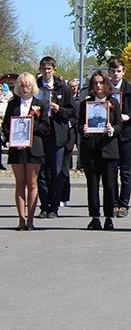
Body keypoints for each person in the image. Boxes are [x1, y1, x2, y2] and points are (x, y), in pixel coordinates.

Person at [3, 72, 52, 230]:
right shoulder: (13, 104)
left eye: (28, 85)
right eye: (22, 86)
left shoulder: (41, 104)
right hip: (16, 148)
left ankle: (30, 220)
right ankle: (21, 220)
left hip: (34, 148)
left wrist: (29, 126)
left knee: (32, 184)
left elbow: (46, 127)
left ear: (33, 87)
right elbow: (6, 126)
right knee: (19, 184)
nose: (25, 89)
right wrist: (13, 136)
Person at [78, 71, 122, 230]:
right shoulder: (85, 104)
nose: (98, 86)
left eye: (101, 83)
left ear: (106, 84)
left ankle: (109, 217)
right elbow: (79, 124)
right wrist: (83, 129)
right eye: (95, 83)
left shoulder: (113, 103)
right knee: (92, 185)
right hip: (91, 151)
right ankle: (94, 217)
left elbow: (119, 125)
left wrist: (112, 129)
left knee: (110, 186)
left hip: (109, 150)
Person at [34, 56, 75, 220]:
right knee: (41, 173)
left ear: (54, 70)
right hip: (40, 135)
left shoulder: (62, 88)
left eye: (49, 68)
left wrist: (59, 110)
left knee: (57, 171)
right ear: (40, 70)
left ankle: (54, 206)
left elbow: (73, 112)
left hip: (57, 135)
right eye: (44, 68)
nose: (46, 71)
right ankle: (44, 206)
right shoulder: (36, 87)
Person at [107, 58, 131, 219]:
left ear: (124, 72)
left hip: (126, 135)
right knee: (111, 172)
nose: (116, 74)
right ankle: (113, 203)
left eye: (118, 71)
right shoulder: (105, 89)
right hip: (109, 136)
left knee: (126, 171)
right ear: (109, 72)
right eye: (113, 71)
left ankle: (124, 203)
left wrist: (127, 116)